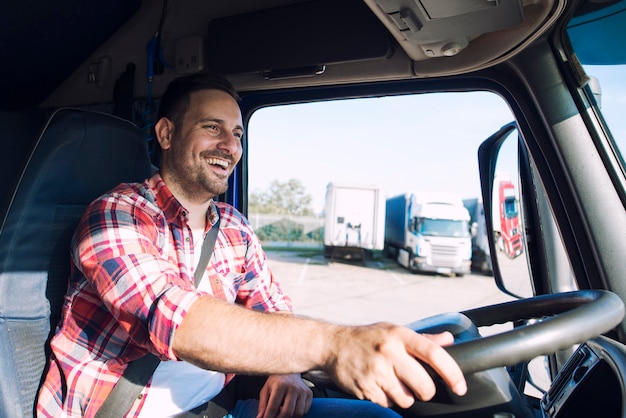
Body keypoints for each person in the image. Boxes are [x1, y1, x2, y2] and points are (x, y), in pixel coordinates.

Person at [37, 73, 467, 418]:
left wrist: (288, 370)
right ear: (166, 134)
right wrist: (336, 344)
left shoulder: (234, 228)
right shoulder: (116, 213)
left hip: (219, 409)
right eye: (212, 128)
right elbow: (175, 320)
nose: (230, 146)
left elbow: (271, 306)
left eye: (238, 134)